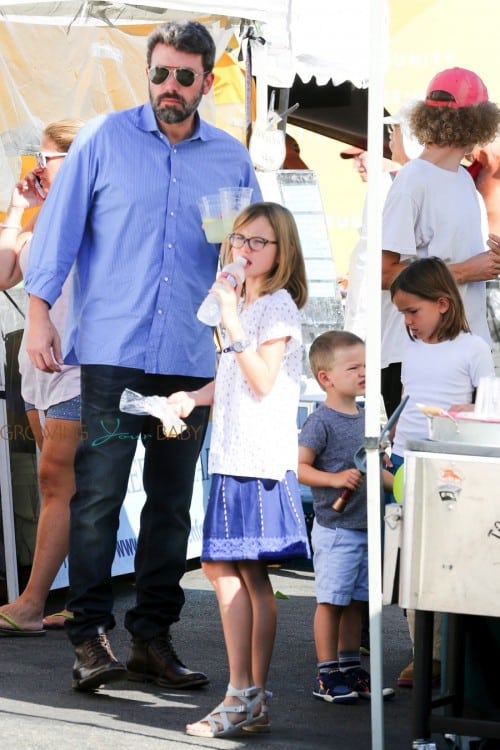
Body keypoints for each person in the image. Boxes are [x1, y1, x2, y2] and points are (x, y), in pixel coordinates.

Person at [23, 20, 262, 691]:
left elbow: (233, 257)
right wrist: (40, 316)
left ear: (205, 83)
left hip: (188, 354)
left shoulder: (227, 159)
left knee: (170, 503)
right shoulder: (104, 141)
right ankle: (88, 637)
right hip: (113, 353)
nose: (169, 87)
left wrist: (240, 300)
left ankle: (152, 640)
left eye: (184, 76)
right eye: (160, 73)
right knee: (97, 497)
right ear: (148, 73)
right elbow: (60, 231)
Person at [166, 202, 310, 737]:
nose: (243, 250)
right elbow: (232, 375)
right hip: (235, 450)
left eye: (258, 243)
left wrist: (229, 318)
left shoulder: (275, 307)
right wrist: (192, 397)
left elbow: (263, 380)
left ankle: (242, 693)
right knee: (241, 573)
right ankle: (248, 696)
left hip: (254, 455)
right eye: (239, 239)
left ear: (282, 252)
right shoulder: (248, 303)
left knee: (227, 569)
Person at [389, 256, 495, 688]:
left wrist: (457, 412)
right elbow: (405, 398)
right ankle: (424, 653)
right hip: (404, 459)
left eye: (413, 312)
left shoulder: (473, 348)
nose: (409, 322)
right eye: (402, 314)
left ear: (443, 304)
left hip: (449, 463)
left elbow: (488, 405)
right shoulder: (409, 347)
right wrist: (390, 438)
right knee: (410, 561)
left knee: (449, 560)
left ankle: (450, 654)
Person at [0, 118, 84, 636]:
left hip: (79, 365)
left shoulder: (90, 212)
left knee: (57, 481)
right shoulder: (41, 217)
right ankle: (81, 595)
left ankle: (31, 603)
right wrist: (15, 209)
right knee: (65, 485)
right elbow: (5, 273)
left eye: (45, 157)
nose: (35, 165)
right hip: (38, 369)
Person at [381, 67, 500, 419]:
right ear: (479, 122)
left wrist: (490, 264)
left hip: (460, 350)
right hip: (417, 356)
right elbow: (385, 274)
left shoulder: (463, 180)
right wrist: (467, 270)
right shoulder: (412, 182)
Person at [298, 330, 395, 703]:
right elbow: (300, 468)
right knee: (332, 601)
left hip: (367, 526)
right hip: (336, 529)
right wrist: (336, 478)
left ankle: (351, 669)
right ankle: (327, 675)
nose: (364, 373)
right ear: (326, 377)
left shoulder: (368, 417)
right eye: (354, 367)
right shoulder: (320, 422)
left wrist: (400, 483)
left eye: (367, 365)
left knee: (357, 603)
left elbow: (377, 472)